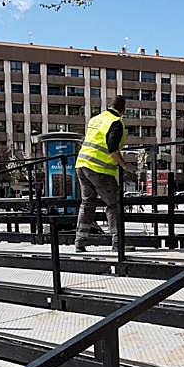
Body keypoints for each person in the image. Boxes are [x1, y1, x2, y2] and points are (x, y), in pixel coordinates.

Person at [74, 95, 133, 252]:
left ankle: (79, 241)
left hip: (81, 165)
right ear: (123, 110)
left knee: (87, 204)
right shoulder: (116, 122)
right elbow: (112, 149)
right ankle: (118, 243)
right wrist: (125, 166)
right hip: (99, 169)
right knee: (114, 204)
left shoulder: (95, 119)